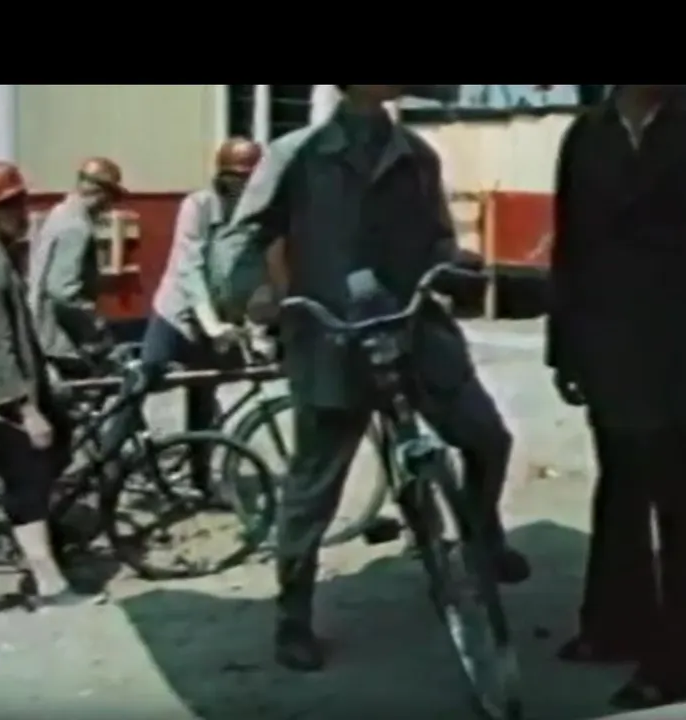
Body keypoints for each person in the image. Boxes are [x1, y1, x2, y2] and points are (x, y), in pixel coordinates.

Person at [211, 85, 529, 672]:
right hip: (331, 335)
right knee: (313, 486)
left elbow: (437, 236)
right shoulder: (297, 155)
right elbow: (240, 235)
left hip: (414, 327)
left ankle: (482, 534)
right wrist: (249, 293)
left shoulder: (416, 155)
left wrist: (452, 261)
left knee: (488, 438)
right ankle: (293, 614)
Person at [546, 85, 686, 709]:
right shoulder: (588, 134)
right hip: (606, 344)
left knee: (684, 510)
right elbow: (570, 246)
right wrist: (563, 349)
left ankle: (676, 666)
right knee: (619, 492)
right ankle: (613, 626)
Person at [0, 161, 104, 608]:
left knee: (56, 442)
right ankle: (48, 583)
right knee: (27, 476)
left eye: (21, 203)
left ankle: (34, 532)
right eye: (11, 207)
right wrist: (25, 410)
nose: (22, 213)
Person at [100, 138, 264, 489]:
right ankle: (105, 470)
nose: (243, 187)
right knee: (142, 381)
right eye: (236, 179)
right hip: (177, 313)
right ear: (222, 177)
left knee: (204, 395)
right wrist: (210, 323)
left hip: (218, 319)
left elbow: (253, 271)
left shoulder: (255, 216)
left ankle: (201, 481)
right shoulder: (198, 206)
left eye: (249, 179)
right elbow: (189, 268)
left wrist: (254, 323)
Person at [27, 157, 124, 380]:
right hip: (61, 342)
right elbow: (62, 292)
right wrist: (94, 328)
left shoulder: (59, 212)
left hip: (41, 330)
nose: (110, 205)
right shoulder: (77, 227)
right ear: (100, 192)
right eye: (111, 196)